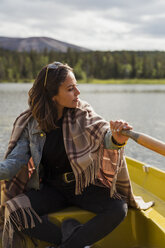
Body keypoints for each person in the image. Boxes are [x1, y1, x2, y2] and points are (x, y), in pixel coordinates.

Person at [0, 62, 153, 248]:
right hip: (52, 188)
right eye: (70, 89)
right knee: (12, 212)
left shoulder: (83, 112)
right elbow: (13, 163)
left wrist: (117, 138)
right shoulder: (30, 123)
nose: (78, 93)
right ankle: (72, 237)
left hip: (84, 185)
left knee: (118, 208)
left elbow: (103, 134)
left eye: (77, 87)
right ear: (53, 95)